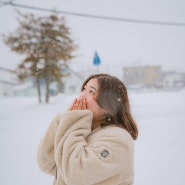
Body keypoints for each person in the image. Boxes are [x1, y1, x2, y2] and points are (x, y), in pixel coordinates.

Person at [37, 73, 138, 185]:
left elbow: (76, 175)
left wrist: (74, 123)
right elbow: (47, 163)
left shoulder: (118, 139)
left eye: (91, 91)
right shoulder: (84, 130)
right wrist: (62, 121)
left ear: (109, 105)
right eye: (84, 89)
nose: (82, 96)